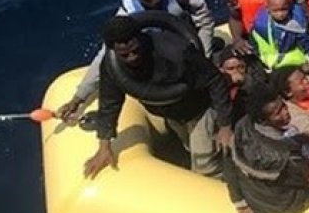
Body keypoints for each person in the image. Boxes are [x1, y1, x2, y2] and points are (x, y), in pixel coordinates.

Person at [57, 0, 216, 122]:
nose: (155, 1)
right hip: (162, 57)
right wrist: (79, 98)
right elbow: (106, 56)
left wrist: (202, 57)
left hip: (190, 48)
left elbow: (205, 21)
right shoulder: (128, 13)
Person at [84, 15, 233, 179]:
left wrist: (225, 125)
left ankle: (223, 185)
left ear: (140, 38)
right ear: (113, 50)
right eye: (125, 55)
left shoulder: (176, 51)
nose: (132, 57)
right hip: (171, 115)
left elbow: (214, 80)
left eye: (135, 50)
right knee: (189, 147)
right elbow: (109, 104)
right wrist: (104, 147)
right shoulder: (112, 68)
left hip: (200, 109)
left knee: (204, 167)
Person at [224, 84, 309, 213]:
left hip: (254, 195)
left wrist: (239, 202)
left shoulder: (244, 126)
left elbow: (229, 164)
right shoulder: (282, 157)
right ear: (263, 120)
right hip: (285, 204)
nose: (286, 112)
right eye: (278, 113)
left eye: (283, 106)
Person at [249, 0, 309, 73]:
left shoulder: (296, 22)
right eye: (275, 11)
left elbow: (307, 41)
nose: (280, 14)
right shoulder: (261, 26)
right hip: (271, 65)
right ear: (267, 8)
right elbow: (256, 47)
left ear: (289, 6)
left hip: (296, 62)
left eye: (284, 9)